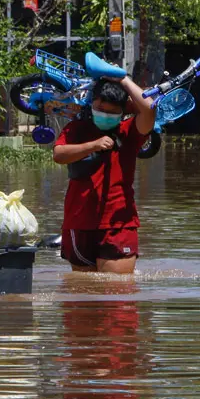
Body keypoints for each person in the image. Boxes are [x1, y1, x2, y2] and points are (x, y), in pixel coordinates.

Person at [52, 75, 156, 275]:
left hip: (118, 223)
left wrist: (123, 79)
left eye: (112, 112)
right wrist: (93, 145)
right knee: (82, 298)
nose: (105, 115)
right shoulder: (77, 128)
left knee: (118, 296)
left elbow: (149, 109)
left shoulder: (129, 132)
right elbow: (59, 154)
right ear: (92, 104)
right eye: (100, 109)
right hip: (78, 221)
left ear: (122, 111)